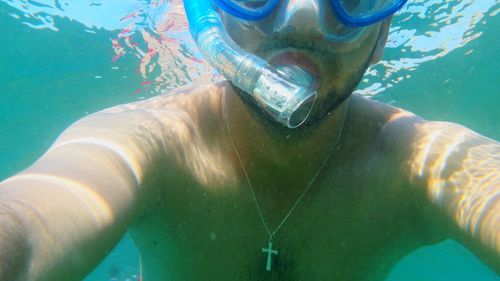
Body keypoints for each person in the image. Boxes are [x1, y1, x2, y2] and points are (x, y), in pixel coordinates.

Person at [0, 0, 498, 280]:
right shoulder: (154, 139)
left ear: (382, 36)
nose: (302, 17)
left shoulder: (423, 162)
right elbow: (29, 223)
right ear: (209, 20)